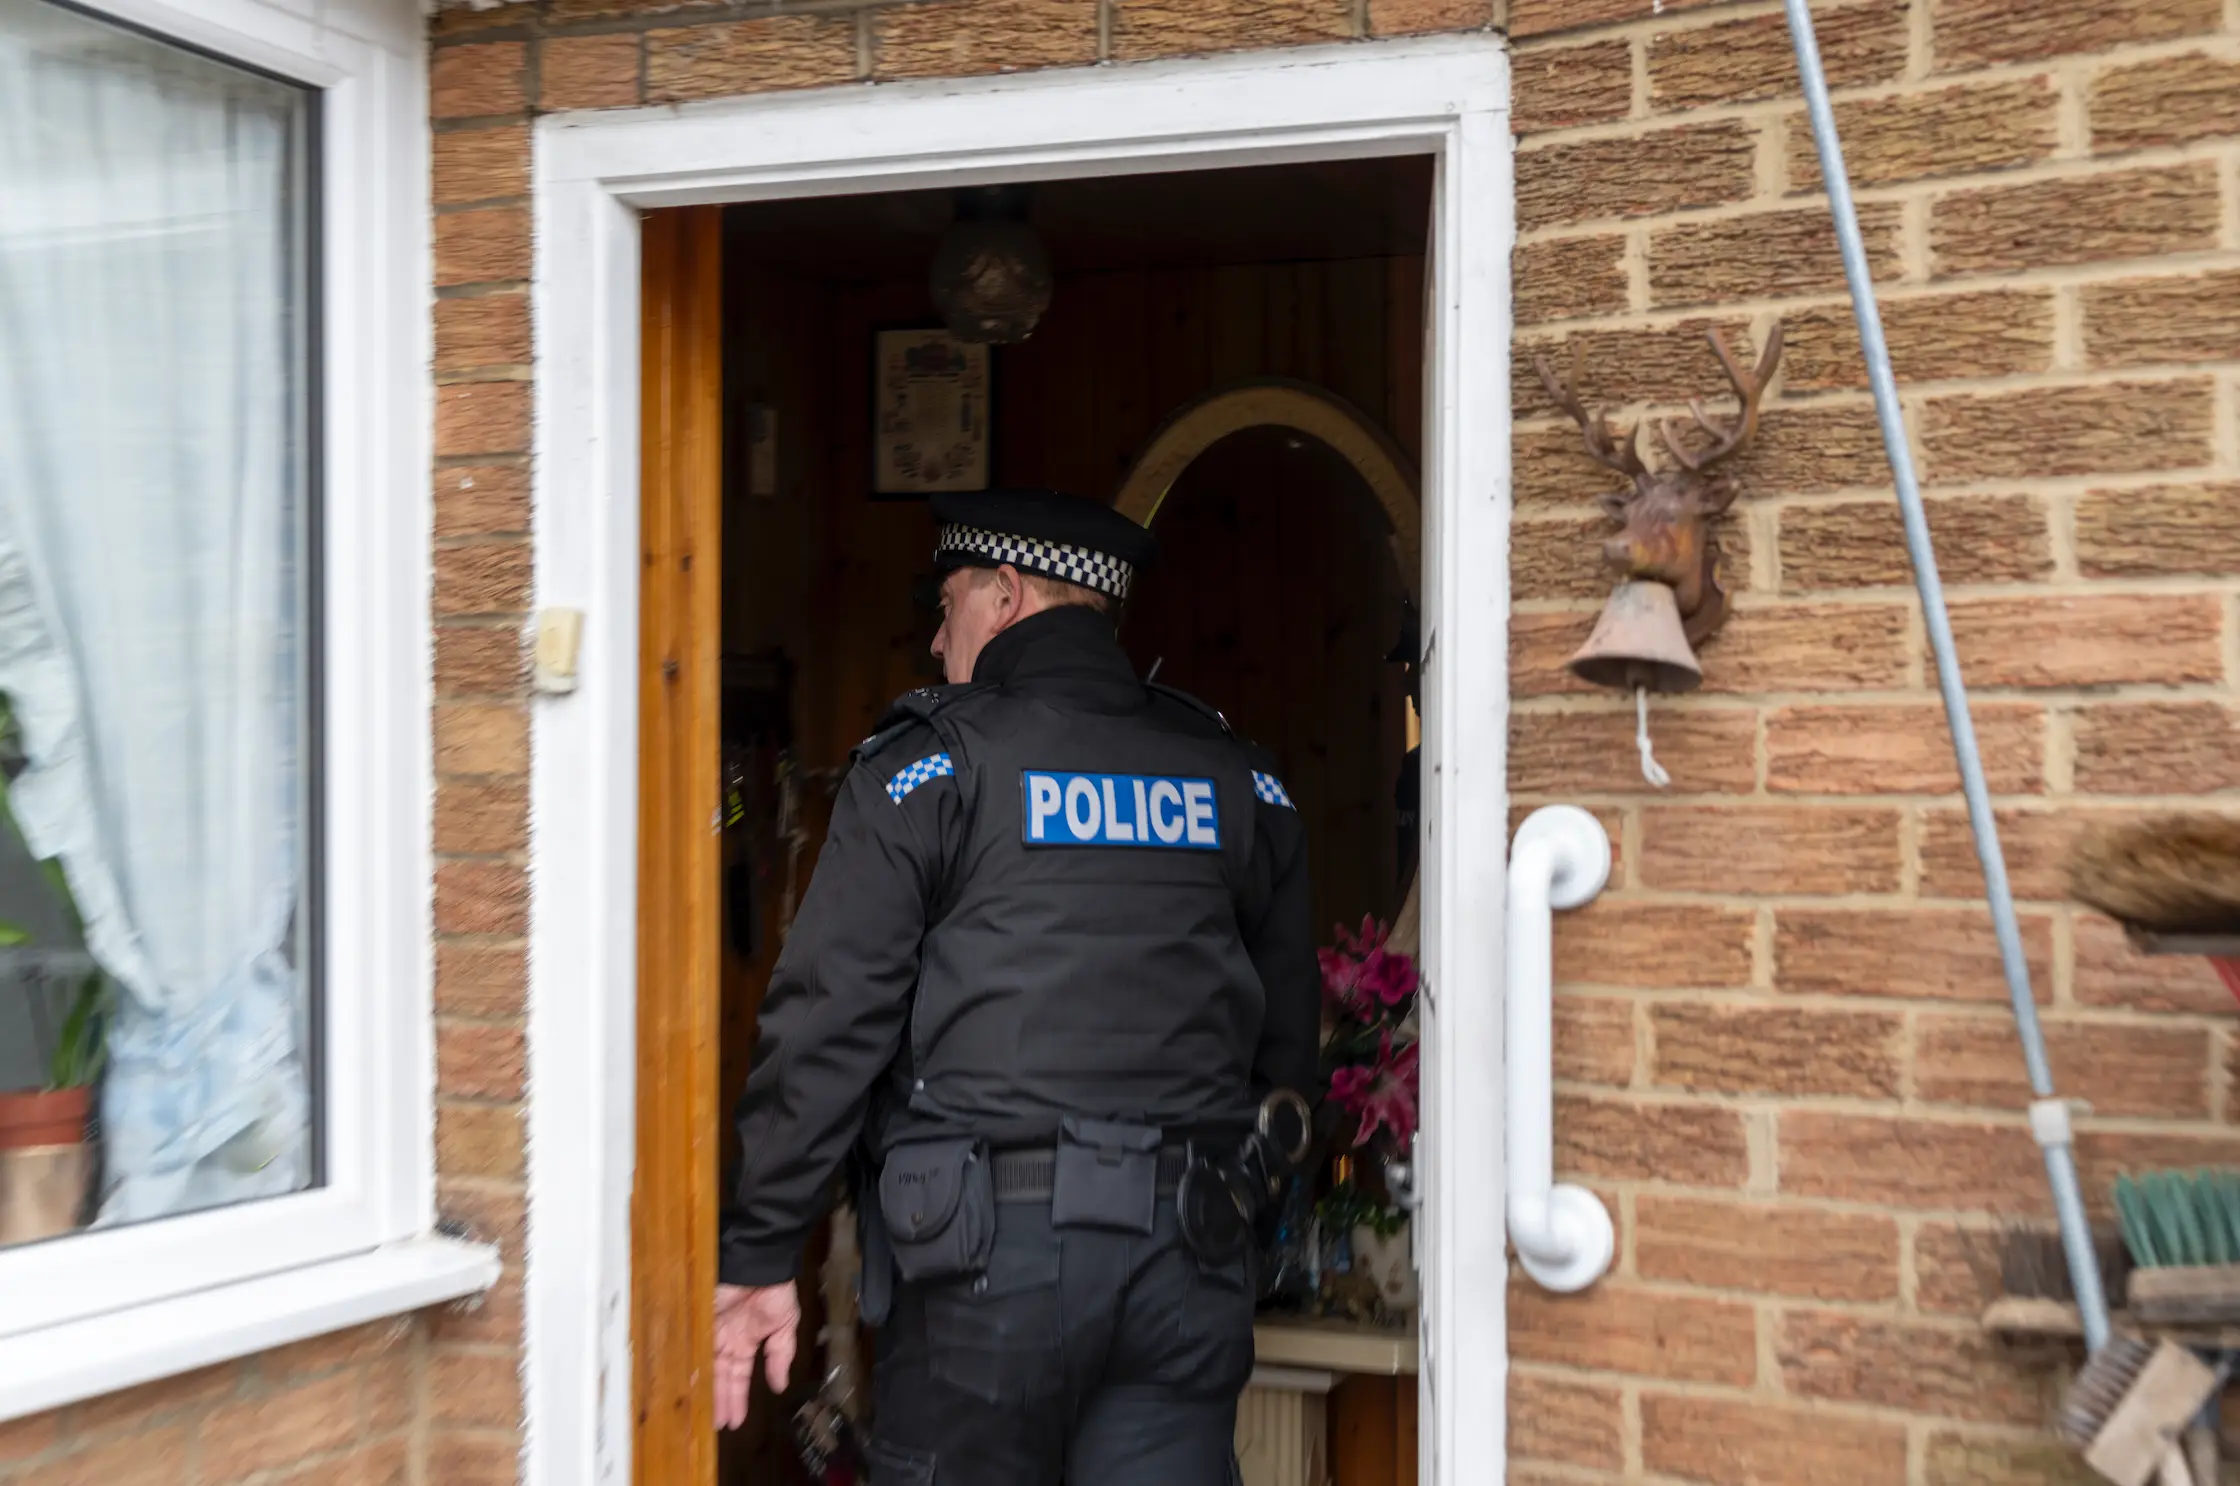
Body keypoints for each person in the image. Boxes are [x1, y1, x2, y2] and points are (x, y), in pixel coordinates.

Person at [712, 488, 1320, 1486]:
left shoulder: (929, 769)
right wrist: (1230, 1212)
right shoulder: (1235, 778)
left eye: (947, 602)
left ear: (1003, 596)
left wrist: (761, 1244)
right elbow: (1288, 1056)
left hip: (982, 1271)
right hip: (1187, 1262)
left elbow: (829, 1019)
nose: (938, 633)